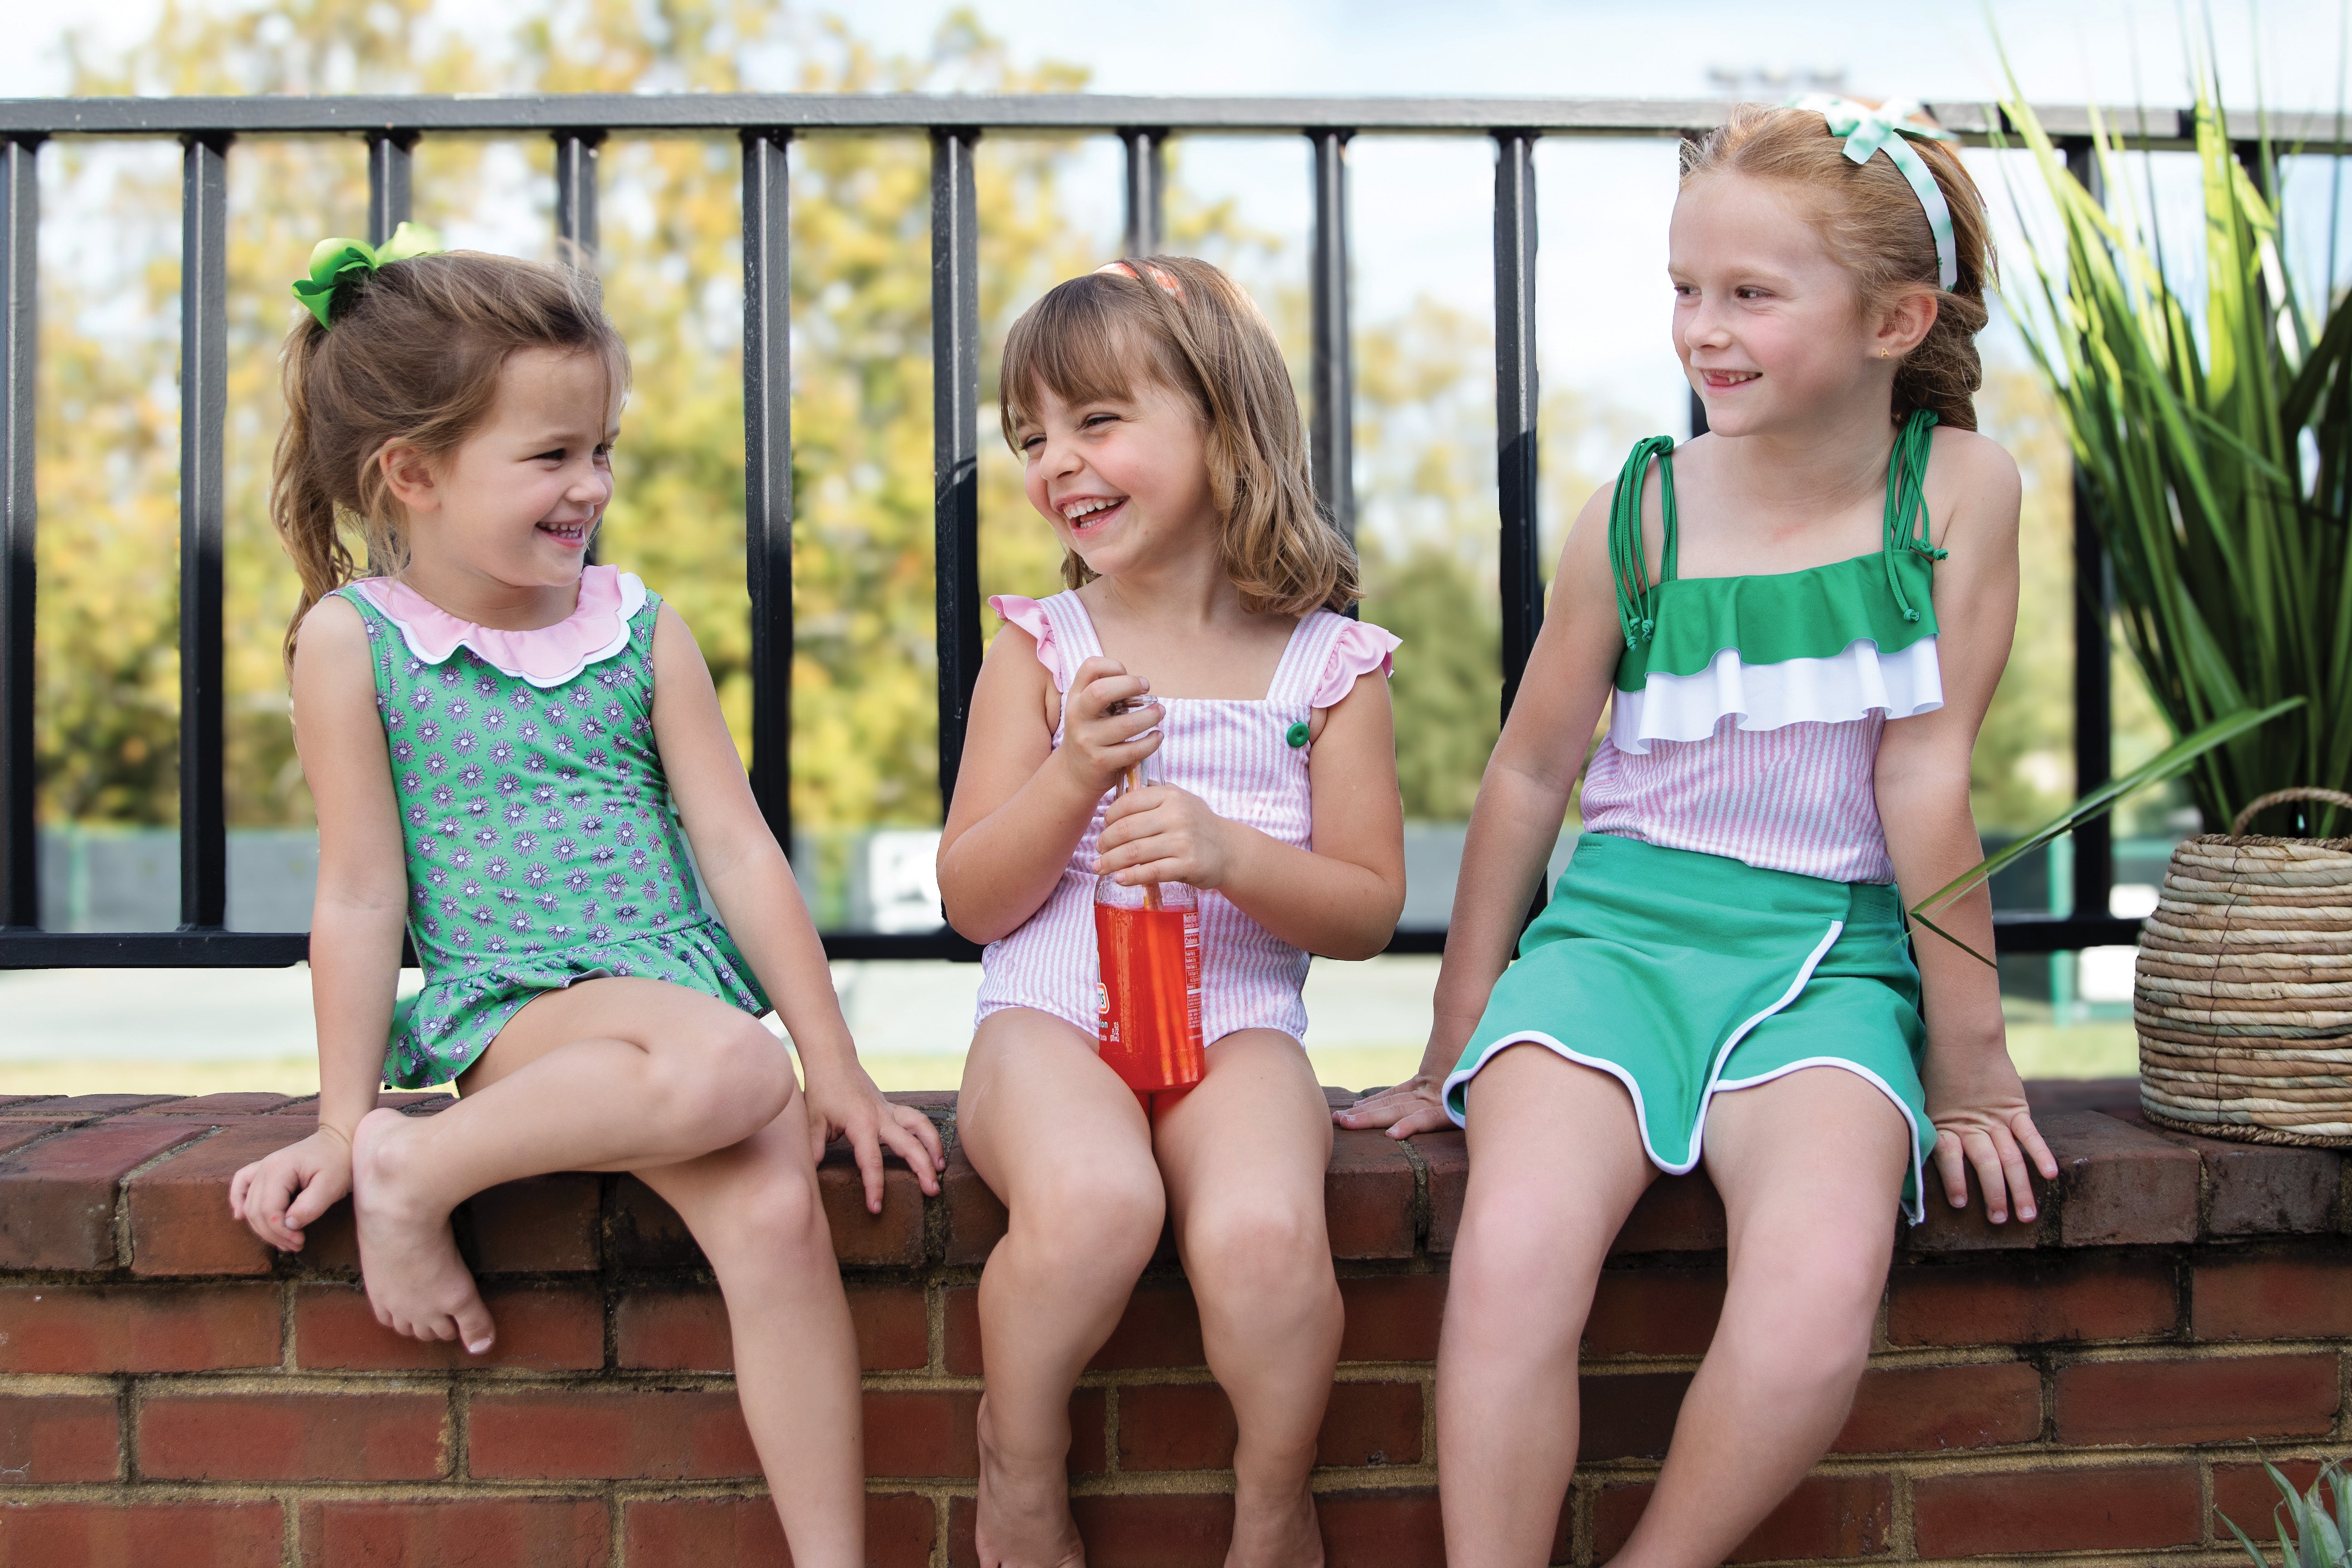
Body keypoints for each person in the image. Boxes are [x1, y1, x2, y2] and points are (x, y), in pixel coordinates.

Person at [1339, 100, 2061, 1566]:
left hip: (1831, 966)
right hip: (1610, 947)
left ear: (1895, 320)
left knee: (1816, 1288)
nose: (1702, 330)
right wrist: (1454, 1036)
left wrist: (1973, 1065)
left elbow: (1925, 783)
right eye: (1685, 288)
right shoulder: (1641, 512)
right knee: (1515, 1258)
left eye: (1750, 293)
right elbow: (1529, 776)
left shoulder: (1961, 491)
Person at [226, 230, 943, 1567]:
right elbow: (363, 891)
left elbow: (738, 851)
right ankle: (411, 1169)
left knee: (778, 1215)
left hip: (673, 1001)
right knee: (738, 1067)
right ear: (413, 474)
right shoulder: (355, 641)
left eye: (602, 449)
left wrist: (839, 1068)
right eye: (552, 455)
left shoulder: (637, 624)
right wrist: (346, 1119)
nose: (592, 486)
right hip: (522, 1008)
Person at [939, 256, 1406, 1568]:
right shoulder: (1044, 647)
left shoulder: (1330, 666)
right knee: (1094, 1204)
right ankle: (1018, 1456)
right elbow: (974, 898)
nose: (1057, 463)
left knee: (1265, 1234)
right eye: (1032, 436)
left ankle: (1273, 1497)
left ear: (1224, 423)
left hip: (1236, 1025)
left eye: (1097, 420)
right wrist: (1072, 777)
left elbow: (1368, 910)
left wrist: (1229, 854)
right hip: (1049, 1021)